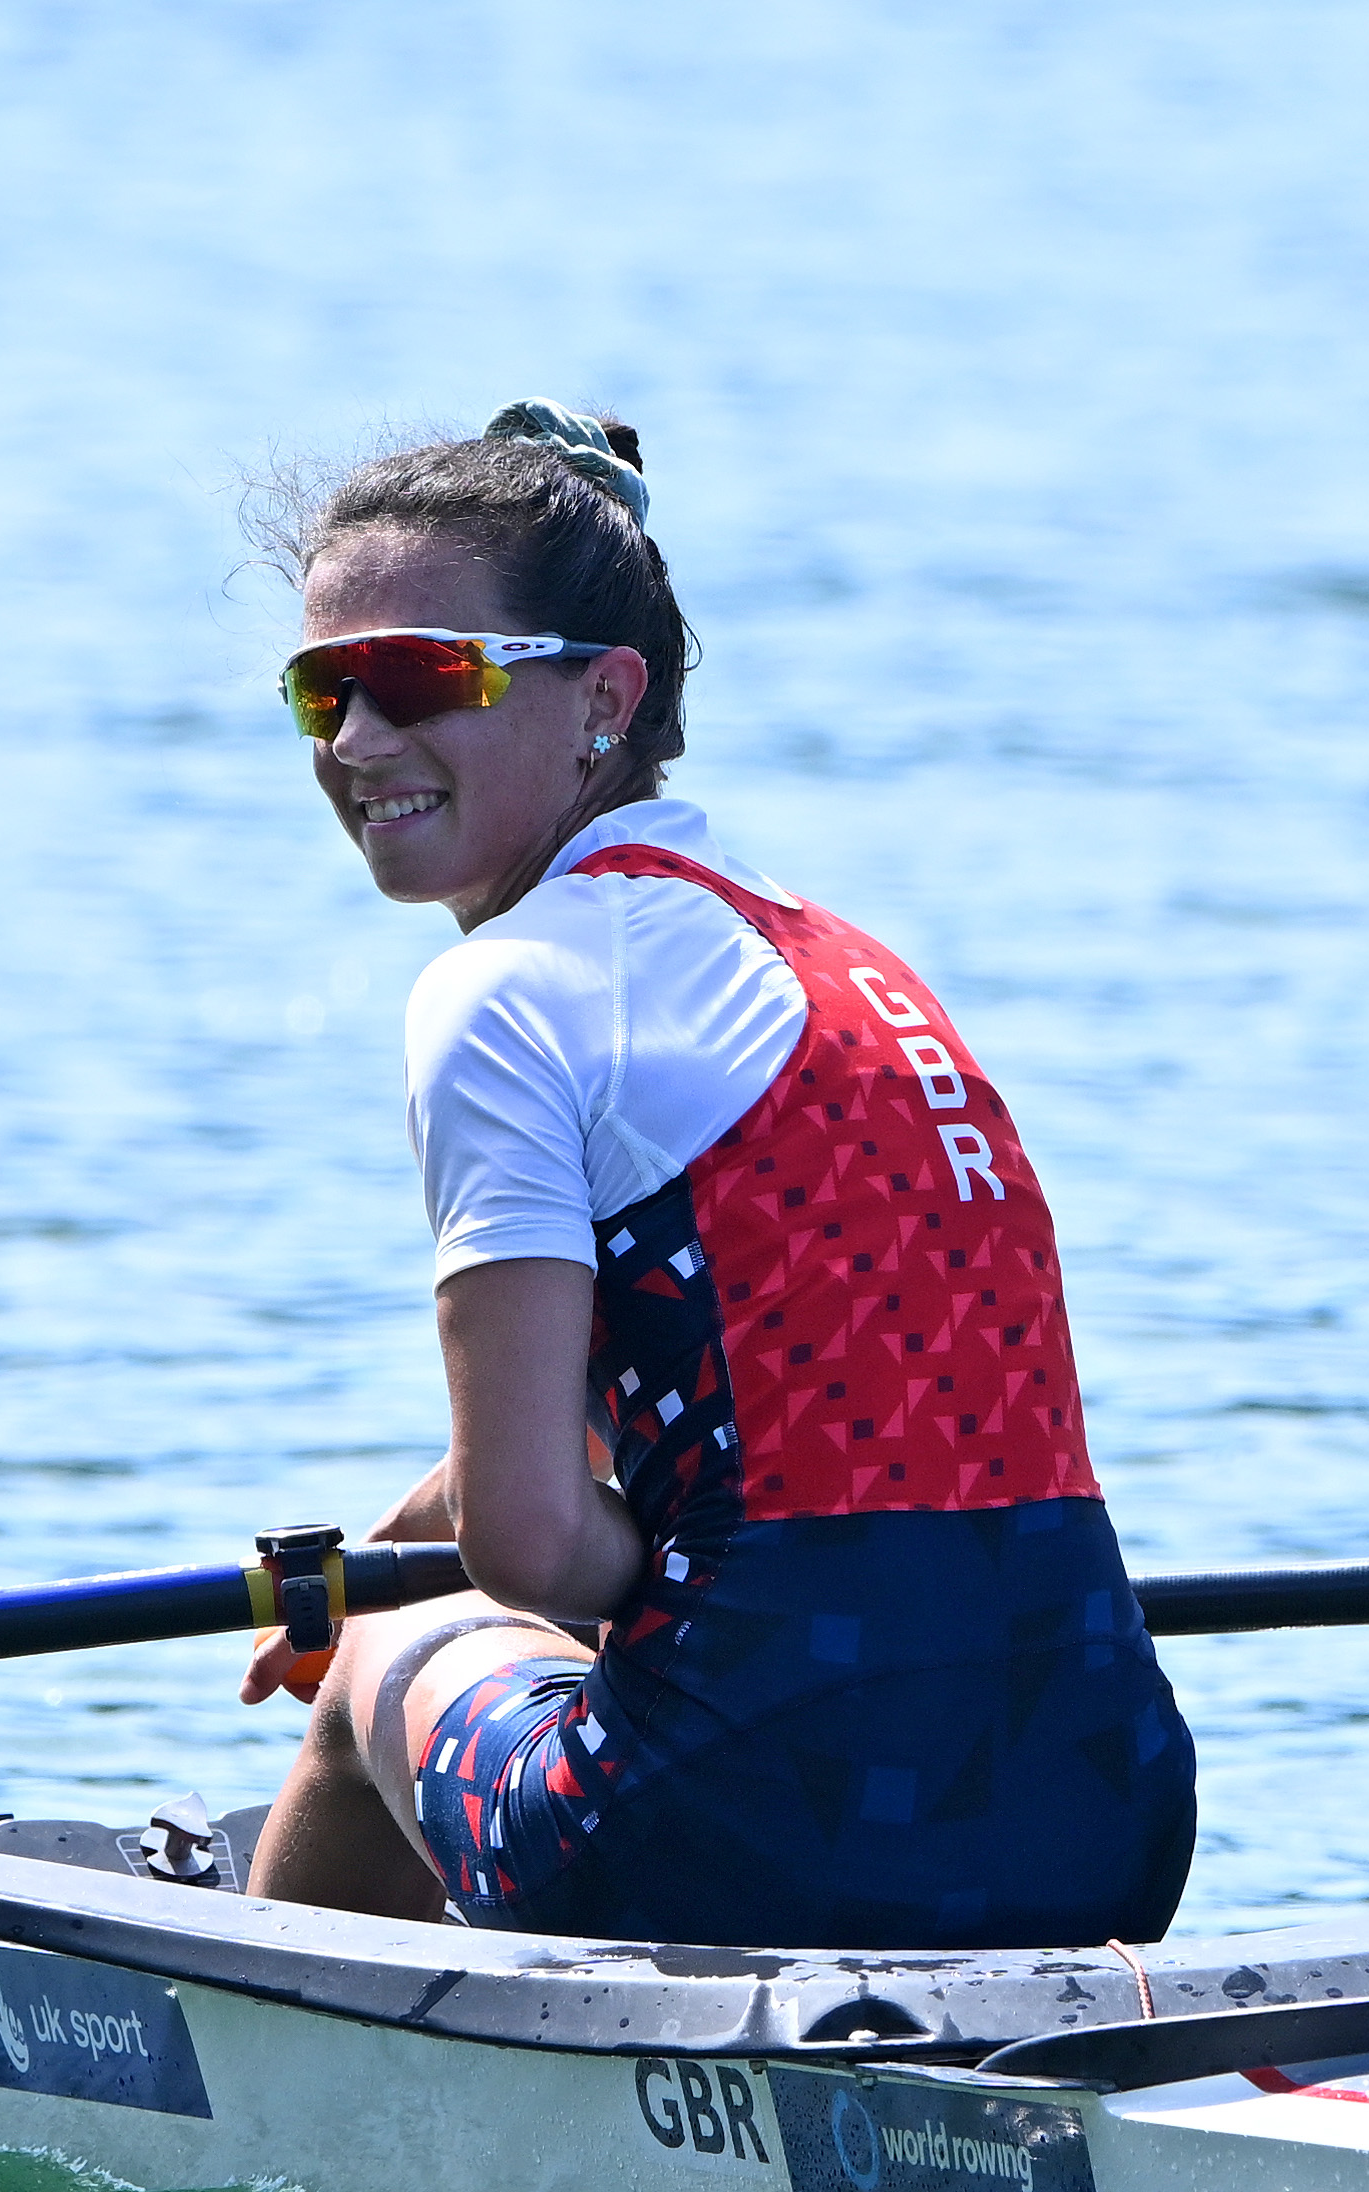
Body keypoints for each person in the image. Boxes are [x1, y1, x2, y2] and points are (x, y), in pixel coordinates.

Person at [235, 400, 1192, 1951]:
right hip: (1108, 1809)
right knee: (439, 1604)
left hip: (750, 1826)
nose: (356, 742)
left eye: (416, 677)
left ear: (606, 695)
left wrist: (438, 1597)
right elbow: (771, 1419)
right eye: (321, 689)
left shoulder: (505, 993)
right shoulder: (854, 968)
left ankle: (255, 2082)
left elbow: (530, 1544)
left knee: (374, 1677)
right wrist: (385, 1547)